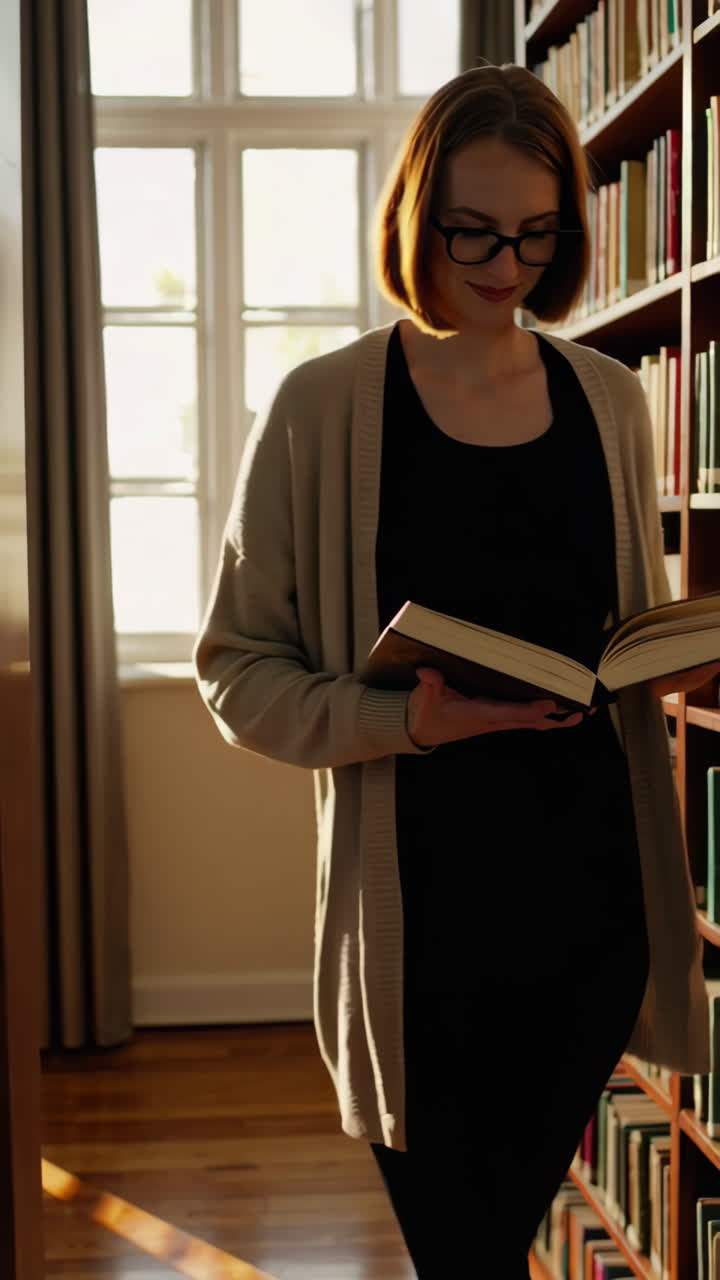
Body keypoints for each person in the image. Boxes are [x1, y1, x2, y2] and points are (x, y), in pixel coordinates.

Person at [193, 62, 714, 1279]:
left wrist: (666, 651)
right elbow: (232, 669)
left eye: (537, 236)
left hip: (587, 911)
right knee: (461, 1242)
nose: (503, 264)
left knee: (486, 1240)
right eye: (471, 228)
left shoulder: (613, 400)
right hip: (420, 927)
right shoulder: (319, 408)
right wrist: (408, 719)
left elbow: (620, 639)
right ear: (414, 214)